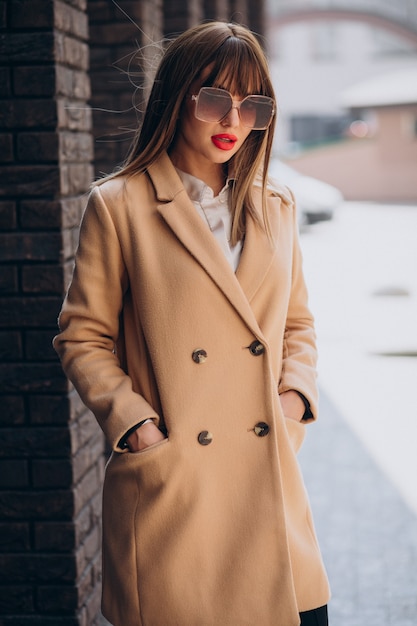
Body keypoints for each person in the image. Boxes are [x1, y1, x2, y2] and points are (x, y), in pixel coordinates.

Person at [53, 21, 330, 626]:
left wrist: (292, 399)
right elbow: (83, 335)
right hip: (177, 494)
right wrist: (137, 427)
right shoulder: (120, 204)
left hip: (269, 486)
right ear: (176, 98)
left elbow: (298, 324)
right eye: (214, 98)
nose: (233, 119)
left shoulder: (275, 206)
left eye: (252, 104)